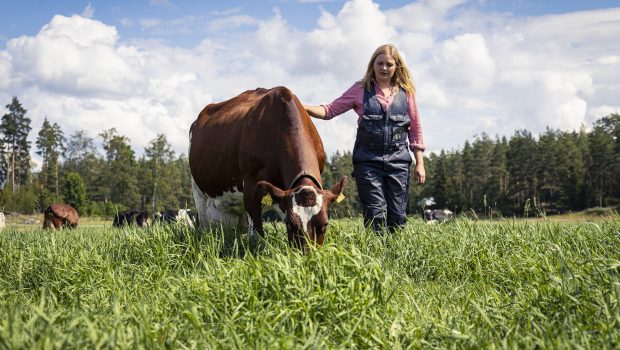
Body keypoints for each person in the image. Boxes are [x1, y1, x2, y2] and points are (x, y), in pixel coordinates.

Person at [304, 44, 426, 233]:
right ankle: (376, 256)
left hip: (399, 161)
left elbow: (415, 129)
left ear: (397, 67)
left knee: (397, 215)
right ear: (373, 64)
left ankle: (394, 256)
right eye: (380, 63)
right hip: (368, 161)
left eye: (389, 64)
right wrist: (301, 106)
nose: (384, 68)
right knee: (375, 213)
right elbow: (329, 111)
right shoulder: (360, 89)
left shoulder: (406, 92)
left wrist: (420, 163)